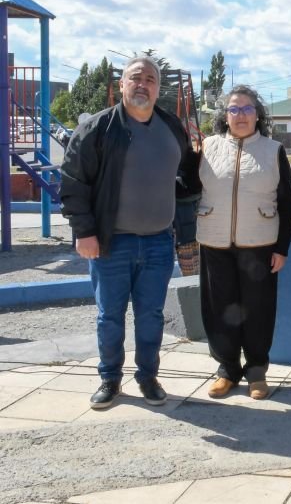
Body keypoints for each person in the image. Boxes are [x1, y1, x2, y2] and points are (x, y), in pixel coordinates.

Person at [60, 56, 200, 409]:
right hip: (111, 243)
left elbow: (187, 177)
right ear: (121, 86)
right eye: (135, 77)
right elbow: (74, 182)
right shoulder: (97, 129)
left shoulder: (172, 127)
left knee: (151, 315)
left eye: (150, 79)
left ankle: (148, 377)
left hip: (158, 242)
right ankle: (109, 378)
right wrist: (84, 231)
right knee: (110, 315)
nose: (143, 84)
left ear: (158, 88)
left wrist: (184, 226)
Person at [198, 86, 291, 400]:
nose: (240, 115)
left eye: (247, 109)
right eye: (234, 109)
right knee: (219, 308)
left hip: (260, 244)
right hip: (215, 242)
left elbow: (287, 204)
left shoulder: (273, 150)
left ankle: (256, 371)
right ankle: (227, 369)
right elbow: (185, 186)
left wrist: (281, 248)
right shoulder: (206, 147)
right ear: (224, 116)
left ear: (258, 115)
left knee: (258, 310)